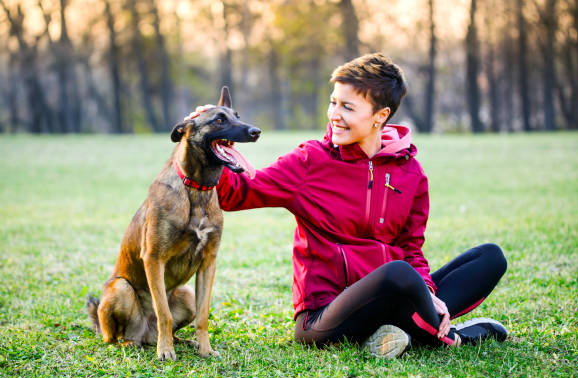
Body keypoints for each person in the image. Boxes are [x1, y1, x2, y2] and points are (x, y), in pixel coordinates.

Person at [187, 53, 508, 358]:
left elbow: (411, 249)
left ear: (380, 116)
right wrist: (213, 140)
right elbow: (234, 195)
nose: (334, 115)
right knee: (397, 273)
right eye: (333, 103)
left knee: (489, 257)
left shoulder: (411, 173)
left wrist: (427, 292)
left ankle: (405, 328)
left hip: (392, 297)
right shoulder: (311, 161)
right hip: (325, 316)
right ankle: (452, 338)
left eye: (348, 107)